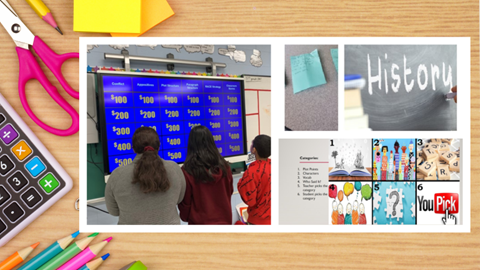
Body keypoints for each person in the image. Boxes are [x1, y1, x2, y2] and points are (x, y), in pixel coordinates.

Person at [105, 127, 186, 225]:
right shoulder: (175, 168)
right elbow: (180, 199)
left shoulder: (116, 175)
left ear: (133, 149)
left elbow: (113, 212)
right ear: (159, 146)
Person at [179, 126, 233, 224]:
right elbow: (229, 192)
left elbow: (185, 203)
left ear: (191, 144)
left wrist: (187, 217)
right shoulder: (225, 167)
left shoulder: (187, 171)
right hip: (224, 223)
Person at [238, 135, 271, 225]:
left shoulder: (252, 172)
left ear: (254, 150)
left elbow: (250, 200)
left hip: (258, 221)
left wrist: (240, 183)